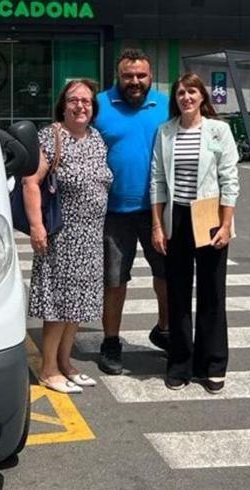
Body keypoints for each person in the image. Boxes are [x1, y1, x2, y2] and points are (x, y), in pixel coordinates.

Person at [150, 73, 239, 393]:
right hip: (177, 217)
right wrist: (158, 224)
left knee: (212, 293)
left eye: (192, 92)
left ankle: (212, 364)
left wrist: (226, 224)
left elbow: (230, 180)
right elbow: (157, 180)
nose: (186, 97)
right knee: (177, 293)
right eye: (180, 93)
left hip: (209, 215)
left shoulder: (219, 131)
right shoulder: (165, 132)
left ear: (203, 97)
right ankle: (179, 363)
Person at [25, 79, 113, 394]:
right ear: (63, 105)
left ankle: (66, 363)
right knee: (59, 305)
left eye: (86, 101)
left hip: (90, 236)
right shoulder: (51, 137)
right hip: (62, 236)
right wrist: (37, 226)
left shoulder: (97, 138)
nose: (80, 106)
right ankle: (48, 368)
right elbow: (31, 182)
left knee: (77, 306)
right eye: (74, 100)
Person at [93, 48, 170, 375]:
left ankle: (165, 330)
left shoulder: (166, 104)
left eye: (141, 76)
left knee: (166, 276)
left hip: (159, 209)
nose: (134, 81)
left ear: (150, 77)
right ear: (118, 76)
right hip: (112, 212)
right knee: (114, 281)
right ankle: (111, 341)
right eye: (128, 76)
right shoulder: (99, 105)